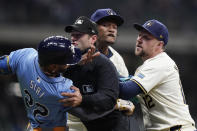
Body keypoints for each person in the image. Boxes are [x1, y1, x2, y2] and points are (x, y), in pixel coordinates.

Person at [119, 19, 196, 131]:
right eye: (140, 35)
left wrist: (101, 72)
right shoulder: (148, 66)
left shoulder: (160, 63)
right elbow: (128, 87)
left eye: (146, 38)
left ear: (160, 44)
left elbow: (126, 90)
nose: (139, 39)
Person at [61, 16, 134, 131]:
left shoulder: (107, 63)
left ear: (93, 39)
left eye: (78, 35)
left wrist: (82, 99)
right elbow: (47, 73)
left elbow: (109, 98)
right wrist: (74, 64)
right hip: (77, 122)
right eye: (72, 35)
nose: (73, 38)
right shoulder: (66, 60)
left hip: (110, 125)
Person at [0, 36, 83, 131]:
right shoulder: (63, 89)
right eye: (66, 62)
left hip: (33, 127)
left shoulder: (25, 56)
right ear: (53, 67)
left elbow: (3, 65)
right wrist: (81, 99)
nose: (68, 64)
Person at [90, 8, 142, 131]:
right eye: (105, 25)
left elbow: (127, 96)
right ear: (92, 29)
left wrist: (126, 102)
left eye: (114, 26)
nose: (112, 29)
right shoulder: (81, 53)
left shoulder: (117, 59)